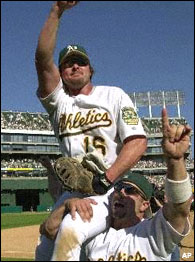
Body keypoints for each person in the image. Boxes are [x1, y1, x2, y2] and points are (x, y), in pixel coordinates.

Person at [35, 1, 147, 260]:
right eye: (68, 64)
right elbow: (42, 58)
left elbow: (138, 142)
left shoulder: (114, 95)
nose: (75, 66)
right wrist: (56, 11)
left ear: (90, 69)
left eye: (80, 62)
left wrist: (105, 179)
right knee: (46, 246)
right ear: (61, 73)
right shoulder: (59, 102)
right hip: (71, 191)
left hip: (109, 189)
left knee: (71, 228)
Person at [40, 108, 193, 261]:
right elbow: (49, 230)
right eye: (119, 188)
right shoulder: (97, 235)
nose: (121, 192)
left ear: (144, 205)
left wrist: (175, 161)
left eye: (130, 190)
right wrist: (66, 205)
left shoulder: (154, 233)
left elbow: (179, 209)